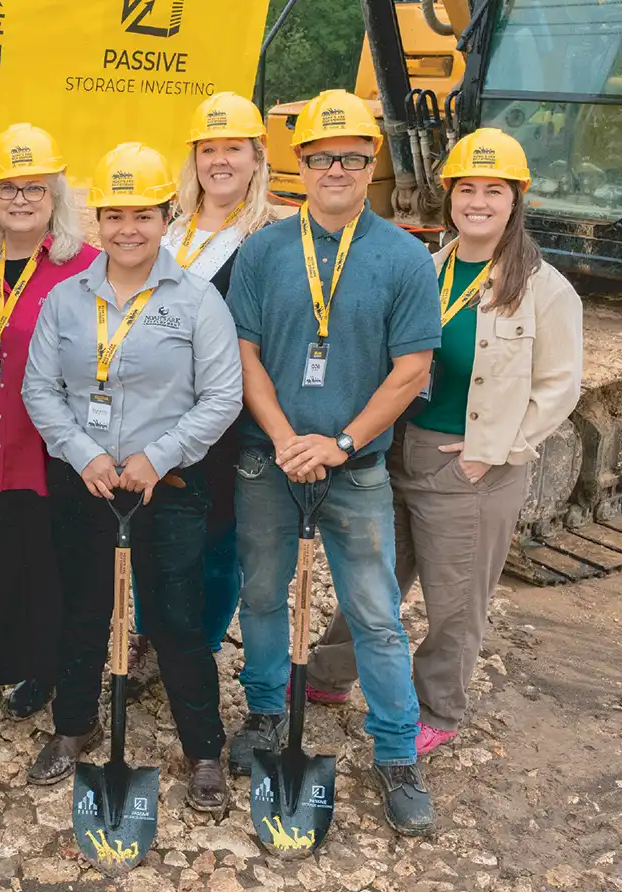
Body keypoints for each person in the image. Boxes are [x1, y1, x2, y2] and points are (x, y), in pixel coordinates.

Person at [305, 128, 583, 755]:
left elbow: (561, 386)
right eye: (466, 189)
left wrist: (498, 448)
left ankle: (439, 708)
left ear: (515, 200)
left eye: (494, 190)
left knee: (454, 599)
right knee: (373, 575)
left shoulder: (544, 289)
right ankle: (328, 675)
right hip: (399, 448)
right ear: (450, 196)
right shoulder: (427, 269)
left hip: (469, 464)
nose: (478, 202)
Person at [225, 89, 442, 836]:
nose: (337, 169)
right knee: (260, 595)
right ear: (302, 166)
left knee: (376, 614)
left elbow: (412, 369)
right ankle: (262, 712)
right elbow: (244, 353)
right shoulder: (263, 251)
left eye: (352, 156)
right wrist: (286, 436)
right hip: (268, 462)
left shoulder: (404, 257)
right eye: (322, 158)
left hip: (355, 472)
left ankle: (394, 753)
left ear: (370, 162)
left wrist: (341, 441)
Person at [21, 142, 243, 812]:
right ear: (97, 219)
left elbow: (222, 396)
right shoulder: (66, 300)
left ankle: (204, 749)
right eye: (114, 214)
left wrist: (159, 457)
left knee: (175, 618)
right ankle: (73, 727)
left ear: (164, 216)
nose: (127, 228)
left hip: (165, 488)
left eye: (142, 214)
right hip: (86, 483)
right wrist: (82, 453)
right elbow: (39, 389)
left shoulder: (197, 300)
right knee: (85, 606)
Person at [0, 122, 98, 734]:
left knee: (45, 564)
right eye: (8, 188)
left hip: (50, 447)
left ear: (55, 195)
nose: (20, 199)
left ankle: (43, 670)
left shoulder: (85, 266)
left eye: (33, 188)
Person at [128, 91, 278, 689]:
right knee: (148, 525)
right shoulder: (167, 229)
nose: (219, 161)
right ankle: (147, 634)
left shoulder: (269, 237)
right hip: (152, 411)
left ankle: (198, 644)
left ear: (256, 157)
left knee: (217, 536)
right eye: (208, 148)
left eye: (232, 148)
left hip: (225, 415)